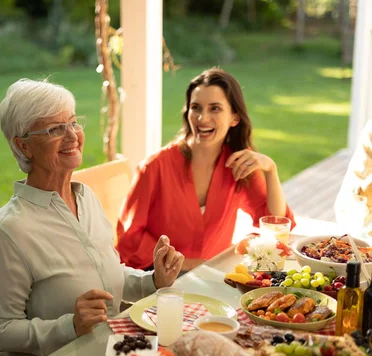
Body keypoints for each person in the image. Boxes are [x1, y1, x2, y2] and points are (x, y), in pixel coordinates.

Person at [0, 78, 184, 356]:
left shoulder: (85, 197)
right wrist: (70, 325)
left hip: (102, 353)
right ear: (23, 146)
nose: (72, 135)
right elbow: (1, 332)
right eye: (54, 129)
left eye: (73, 122)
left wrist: (153, 280)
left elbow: (106, 276)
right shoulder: (9, 232)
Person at [116, 68, 296, 271]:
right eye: (196, 107)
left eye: (215, 109)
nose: (202, 118)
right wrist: (187, 265)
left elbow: (276, 223)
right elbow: (129, 237)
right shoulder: (154, 167)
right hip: (155, 278)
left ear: (234, 118)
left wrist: (271, 169)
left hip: (210, 277)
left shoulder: (239, 163)